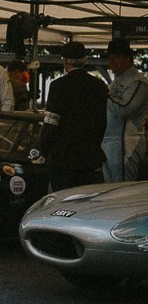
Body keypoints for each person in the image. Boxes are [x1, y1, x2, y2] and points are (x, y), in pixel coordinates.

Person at [40, 41, 107, 191]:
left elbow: (51, 122)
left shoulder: (58, 86)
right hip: (90, 158)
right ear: (84, 60)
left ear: (65, 61)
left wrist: (44, 149)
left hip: (63, 158)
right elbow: (102, 122)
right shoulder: (99, 86)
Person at [102, 38, 148, 182]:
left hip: (127, 142)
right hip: (111, 143)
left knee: (122, 187)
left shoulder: (138, 82)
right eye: (109, 58)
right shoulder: (116, 81)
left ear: (128, 58)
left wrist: (103, 95)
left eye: (115, 57)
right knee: (110, 188)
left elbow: (125, 110)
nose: (111, 62)